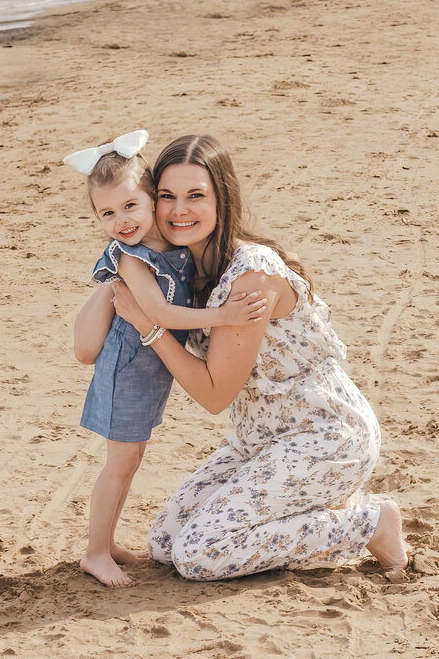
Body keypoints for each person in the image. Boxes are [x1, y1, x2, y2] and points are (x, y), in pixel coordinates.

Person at [108, 134, 408, 581]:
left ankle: (369, 523)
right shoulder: (180, 273)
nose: (179, 211)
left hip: (324, 436)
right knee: (166, 543)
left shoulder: (252, 275)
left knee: (200, 554)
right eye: (167, 197)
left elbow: (215, 394)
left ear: (222, 200)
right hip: (261, 440)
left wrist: (148, 326)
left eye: (196, 196)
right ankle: (324, 504)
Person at [65, 130, 267, 587]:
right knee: (118, 463)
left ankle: (108, 540)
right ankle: (95, 552)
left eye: (131, 206)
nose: (121, 220)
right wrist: (223, 314)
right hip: (127, 370)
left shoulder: (172, 248)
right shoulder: (132, 258)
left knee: (130, 460)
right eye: (107, 213)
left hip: (150, 370)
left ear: (153, 200)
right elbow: (156, 313)